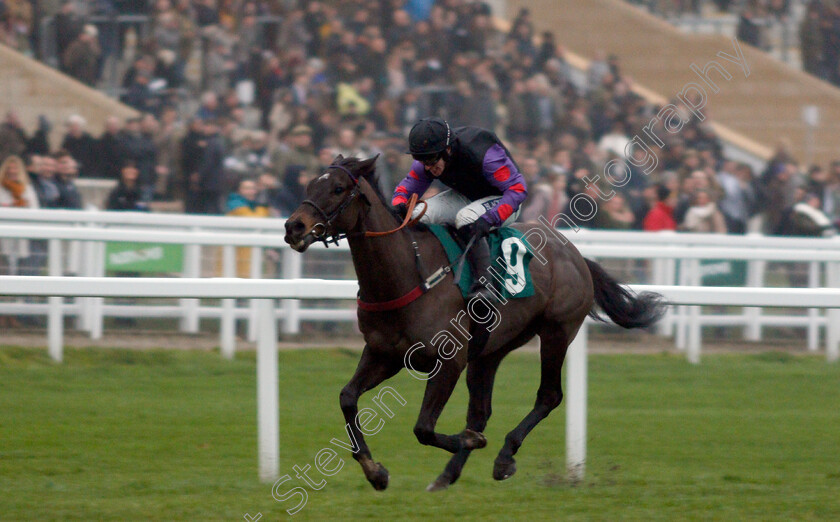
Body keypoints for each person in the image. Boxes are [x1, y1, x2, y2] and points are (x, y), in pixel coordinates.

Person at [392, 117, 528, 304]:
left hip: (504, 200)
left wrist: (491, 218)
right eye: (421, 160)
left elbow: (518, 190)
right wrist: (399, 203)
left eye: (431, 160)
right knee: (417, 216)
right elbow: (405, 190)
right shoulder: (429, 158)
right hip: (467, 196)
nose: (428, 167)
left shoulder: (485, 154)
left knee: (466, 218)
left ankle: (483, 284)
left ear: (447, 150)